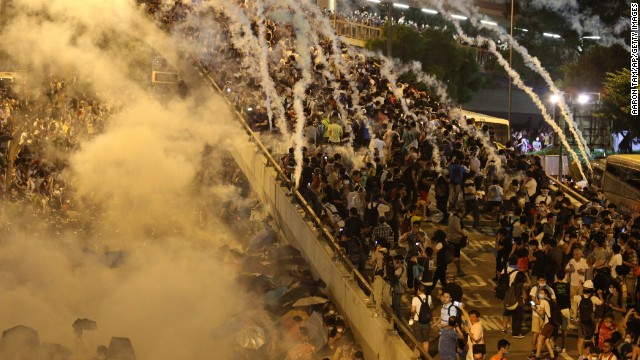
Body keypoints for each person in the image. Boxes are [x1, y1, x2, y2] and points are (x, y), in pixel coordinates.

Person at [410, 284, 432, 355]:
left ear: (418, 290)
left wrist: (411, 318)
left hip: (417, 321)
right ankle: (426, 356)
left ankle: (417, 356)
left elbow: (413, 310)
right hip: (427, 322)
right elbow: (430, 307)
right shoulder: (429, 297)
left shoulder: (415, 299)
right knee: (425, 341)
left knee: (418, 341)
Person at [447, 207, 467, 277]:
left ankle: (458, 270)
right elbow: (458, 230)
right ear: (459, 213)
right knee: (455, 256)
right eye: (463, 213)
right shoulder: (456, 219)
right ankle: (458, 270)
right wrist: (464, 234)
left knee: (451, 255)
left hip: (452, 239)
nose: (463, 215)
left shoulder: (454, 218)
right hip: (455, 240)